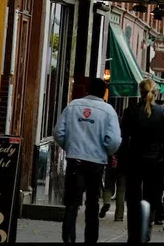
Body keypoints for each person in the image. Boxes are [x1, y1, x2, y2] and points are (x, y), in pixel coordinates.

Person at [54, 77, 121, 245]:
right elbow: (113, 140)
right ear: (104, 93)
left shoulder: (72, 106)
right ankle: (91, 239)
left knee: (72, 203)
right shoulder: (108, 111)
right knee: (92, 203)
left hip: (75, 159)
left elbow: (58, 132)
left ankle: (68, 238)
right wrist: (106, 152)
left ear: (87, 90)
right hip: (96, 162)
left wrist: (70, 147)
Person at [118, 78, 164, 243]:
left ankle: (133, 234)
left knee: (133, 199)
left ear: (139, 92)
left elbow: (124, 140)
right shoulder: (163, 113)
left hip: (134, 160)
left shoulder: (130, 111)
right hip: (155, 162)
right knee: (152, 198)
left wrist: (122, 163)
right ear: (155, 92)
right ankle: (146, 232)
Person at [99, 153, 126, 222]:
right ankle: (119, 217)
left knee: (108, 187)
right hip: (123, 166)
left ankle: (107, 202)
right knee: (121, 191)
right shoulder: (125, 142)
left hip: (110, 164)